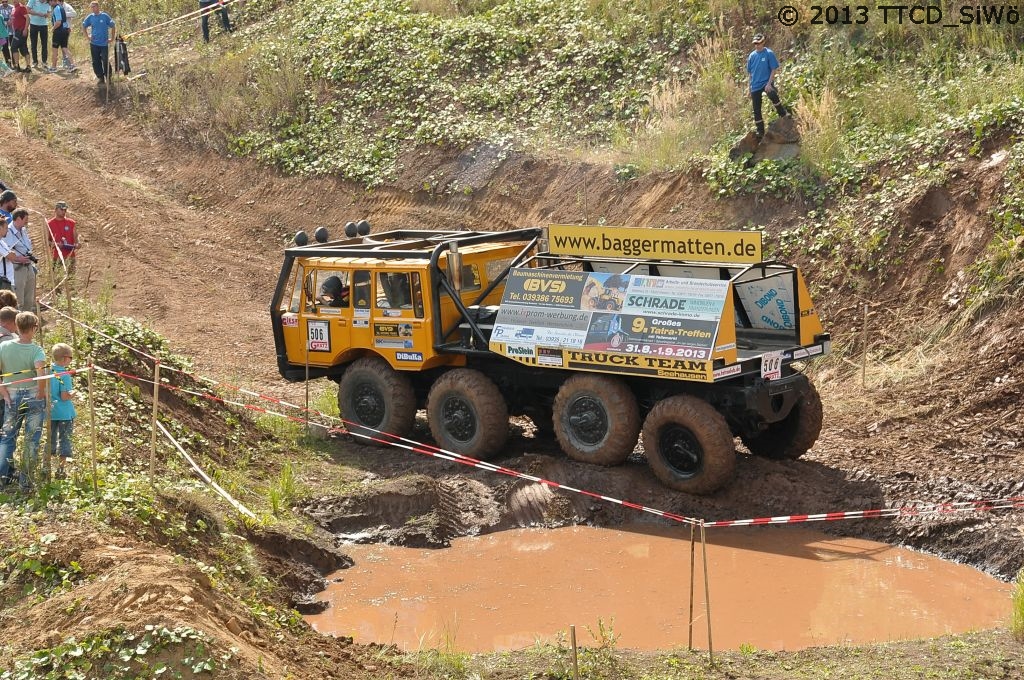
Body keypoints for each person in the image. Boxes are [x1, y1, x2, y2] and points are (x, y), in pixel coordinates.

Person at [0, 311, 46, 490]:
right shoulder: (37, 350)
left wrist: (4, 393)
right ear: (34, 328)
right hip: (33, 396)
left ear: (17, 326)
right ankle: (25, 482)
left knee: (7, 437)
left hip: (11, 396)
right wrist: (41, 392)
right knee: (31, 438)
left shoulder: (4, 347)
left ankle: (2, 478)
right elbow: (40, 375)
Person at [746, 33, 788, 138]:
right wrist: (749, 88)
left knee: (773, 94)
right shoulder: (752, 56)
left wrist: (769, 83)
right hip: (755, 85)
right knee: (756, 109)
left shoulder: (769, 53)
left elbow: (773, 69)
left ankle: (783, 115)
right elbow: (750, 73)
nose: (757, 45)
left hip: (766, 82)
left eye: (759, 43)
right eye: (755, 44)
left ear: (763, 42)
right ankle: (760, 131)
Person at [48, 343, 74, 480]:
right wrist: (72, 393)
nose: (71, 359)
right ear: (64, 359)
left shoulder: (47, 371)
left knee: (50, 439)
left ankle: (47, 468)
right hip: (64, 413)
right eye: (70, 357)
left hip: (50, 412)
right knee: (64, 440)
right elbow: (65, 396)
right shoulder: (65, 375)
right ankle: (61, 469)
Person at [5, 208, 35, 313]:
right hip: (17, 268)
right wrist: (19, 259)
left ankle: (27, 320)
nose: (27, 222)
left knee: (29, 297)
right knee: (19, 299)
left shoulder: (23, 230)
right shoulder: (7, 232)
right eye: (25, 219)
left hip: (28, 266)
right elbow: (6, 253)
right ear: (18, 218)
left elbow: (27, 245)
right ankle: (18, 322)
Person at [80, 0, 112, 83]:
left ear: (98, 7)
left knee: (105, 60)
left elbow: (113, 25)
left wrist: (112, 38)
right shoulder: (90, 17)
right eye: (91, 7)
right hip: (94, 43)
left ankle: (108, 77)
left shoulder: (104, 16)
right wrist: (87, 37)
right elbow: (84, 26)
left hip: (104, 43)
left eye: (94, 6)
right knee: (95, 61)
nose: (92, 8)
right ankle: (100, 77)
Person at [47, 200, 77, 279]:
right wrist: (54, 244)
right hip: (56, 257)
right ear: (56, 210)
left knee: (71, 280)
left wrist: (77, 244)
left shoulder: (72, 223)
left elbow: (76, 241)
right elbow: (46, 241)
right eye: (61, 210)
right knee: (56, 280)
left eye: (65, 210)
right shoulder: (49, 224)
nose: (64, 212)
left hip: (70, 257)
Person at [48, 0, 72, 71]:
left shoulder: (56, 8)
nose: (49, 4)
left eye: (49, 2)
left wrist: (52, 29)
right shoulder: (61, 7)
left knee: (54, 49)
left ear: (52, 1)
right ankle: (72, 65)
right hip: (65, 30)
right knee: (64, 48)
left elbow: (58, 22)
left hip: (58, 31)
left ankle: (53, 67)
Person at [25, 0, 47, 68]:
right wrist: (37, 13)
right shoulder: (32, 0)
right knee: (33, 44)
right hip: (33, 24)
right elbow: (27, 10)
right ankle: (35, 62)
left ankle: (44, 62)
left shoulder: (48, 2)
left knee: (44, 44)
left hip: (44, 25)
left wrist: (47, 15)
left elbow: (49, 12)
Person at [8, 0, 28, 72]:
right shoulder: (14, 8)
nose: (14, 1)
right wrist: (10, 22)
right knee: (23, 47)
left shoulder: (21, 7)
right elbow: (14, 18)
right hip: (16, 32)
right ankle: (27, 67)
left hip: (21, 31)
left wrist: (25, 29)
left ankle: (17, 67)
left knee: (13, 47)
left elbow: (28, 18)